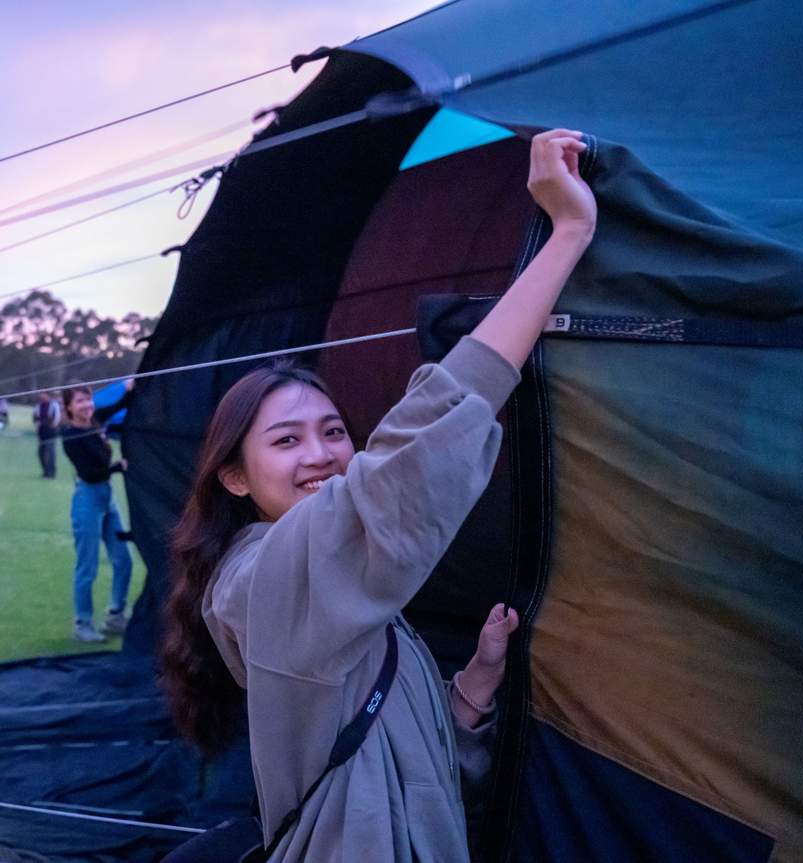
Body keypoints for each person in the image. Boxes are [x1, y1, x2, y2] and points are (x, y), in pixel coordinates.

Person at [160, 130, 596, 862]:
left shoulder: (337, 590)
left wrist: (470, 691)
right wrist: (567, 235)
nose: (323, 454)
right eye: (286, 440)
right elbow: (413, 458)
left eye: (333, 430)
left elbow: (405, 773)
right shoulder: (262, 582)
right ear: (232, 476)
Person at [61, 382, 134, 642]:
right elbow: (90, 473)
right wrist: (118, 467)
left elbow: (119, 405)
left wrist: (130, 389)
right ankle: (83, 624)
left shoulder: (96, 420)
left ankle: (115, 616)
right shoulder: (69, 435)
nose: (87, 405)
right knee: (87, 567)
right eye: (80, 401)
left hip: (106, 497)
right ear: (69, 406)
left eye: (88, 399)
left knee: (124, 560)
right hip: (87, 499)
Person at [34, 391, 62, 479]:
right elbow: (35, 417)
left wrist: (54, 426)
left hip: (51, 431)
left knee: (50, 452)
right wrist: (36, 425)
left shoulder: (54, 405)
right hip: (41, 432)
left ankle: (51, 473)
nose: (41, 395)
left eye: (42, 393)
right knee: (41, 452)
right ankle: (45, 472)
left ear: (47, 395)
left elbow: (57, 417)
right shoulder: (38, 406)